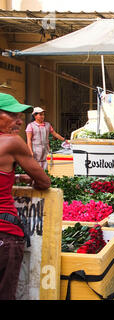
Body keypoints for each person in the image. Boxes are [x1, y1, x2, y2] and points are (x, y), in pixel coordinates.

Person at [0, 93, 51, 300]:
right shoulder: (12, 142)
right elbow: (44, 182)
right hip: (5, 232)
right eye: (12, 115)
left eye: (20, 115)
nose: (19, 120)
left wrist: (15, 178)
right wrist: (28, 179)